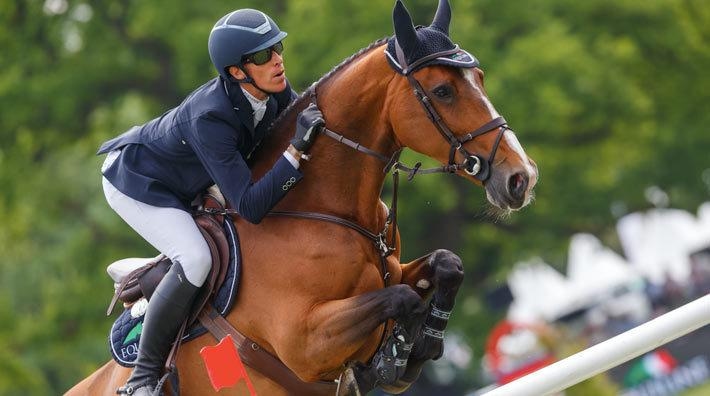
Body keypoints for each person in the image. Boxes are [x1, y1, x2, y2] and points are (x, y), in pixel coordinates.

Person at [98, 8, 324, 396]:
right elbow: (252, 206)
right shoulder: (210, 118)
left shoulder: (271, 90)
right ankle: (142, 380)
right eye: (261, 56)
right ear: (237, 72)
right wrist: (295, 154)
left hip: (187, 175)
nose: (277, 59)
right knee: (197, 258)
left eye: (276, 47)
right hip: (137, 180)